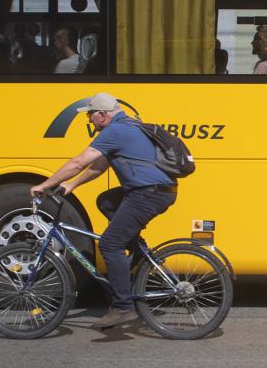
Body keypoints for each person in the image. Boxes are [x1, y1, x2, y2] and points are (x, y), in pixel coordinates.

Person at [30, 92, 178, 328]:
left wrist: (45, 184)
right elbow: (98, 166)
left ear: (102, 115)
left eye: (90, 115)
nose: (88, 119)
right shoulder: (129, 126)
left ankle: (122, 307)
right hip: (155, 191)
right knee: (106, 201)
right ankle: (137, 248)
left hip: (147, 194)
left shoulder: (115, 131)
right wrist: (72, 184)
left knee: (110, 244)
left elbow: (79, 162)